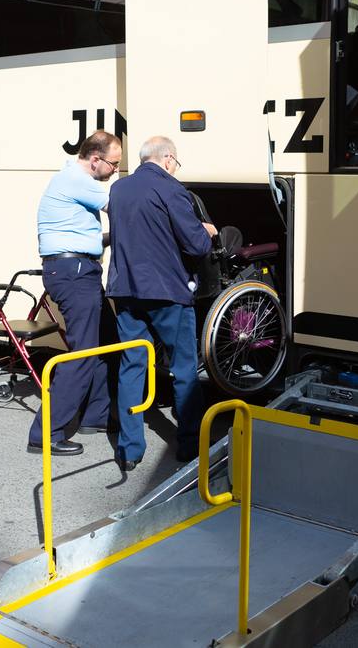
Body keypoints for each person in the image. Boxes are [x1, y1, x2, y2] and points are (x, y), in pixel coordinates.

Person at [106, 136, 218, 472]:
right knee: (183, 368)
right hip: (167, 291)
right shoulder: (172, 189)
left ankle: (129, 449)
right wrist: (206, 230)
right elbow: (196, 246)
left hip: (126, 291)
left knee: (132, 366)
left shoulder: (119, 189)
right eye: (176, 162)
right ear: (168, 158)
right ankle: (189, 445)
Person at [27, 130, 123, 457]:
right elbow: (121, 205)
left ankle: (95, 416)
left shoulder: (73, 181)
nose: (116, 172)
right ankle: (46, 432)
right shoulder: (77, 180)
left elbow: (87, 237)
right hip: (74, 273)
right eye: (114, 164)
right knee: (82, 354)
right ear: (95, 159)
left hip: (76, 269)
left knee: (106, 340)